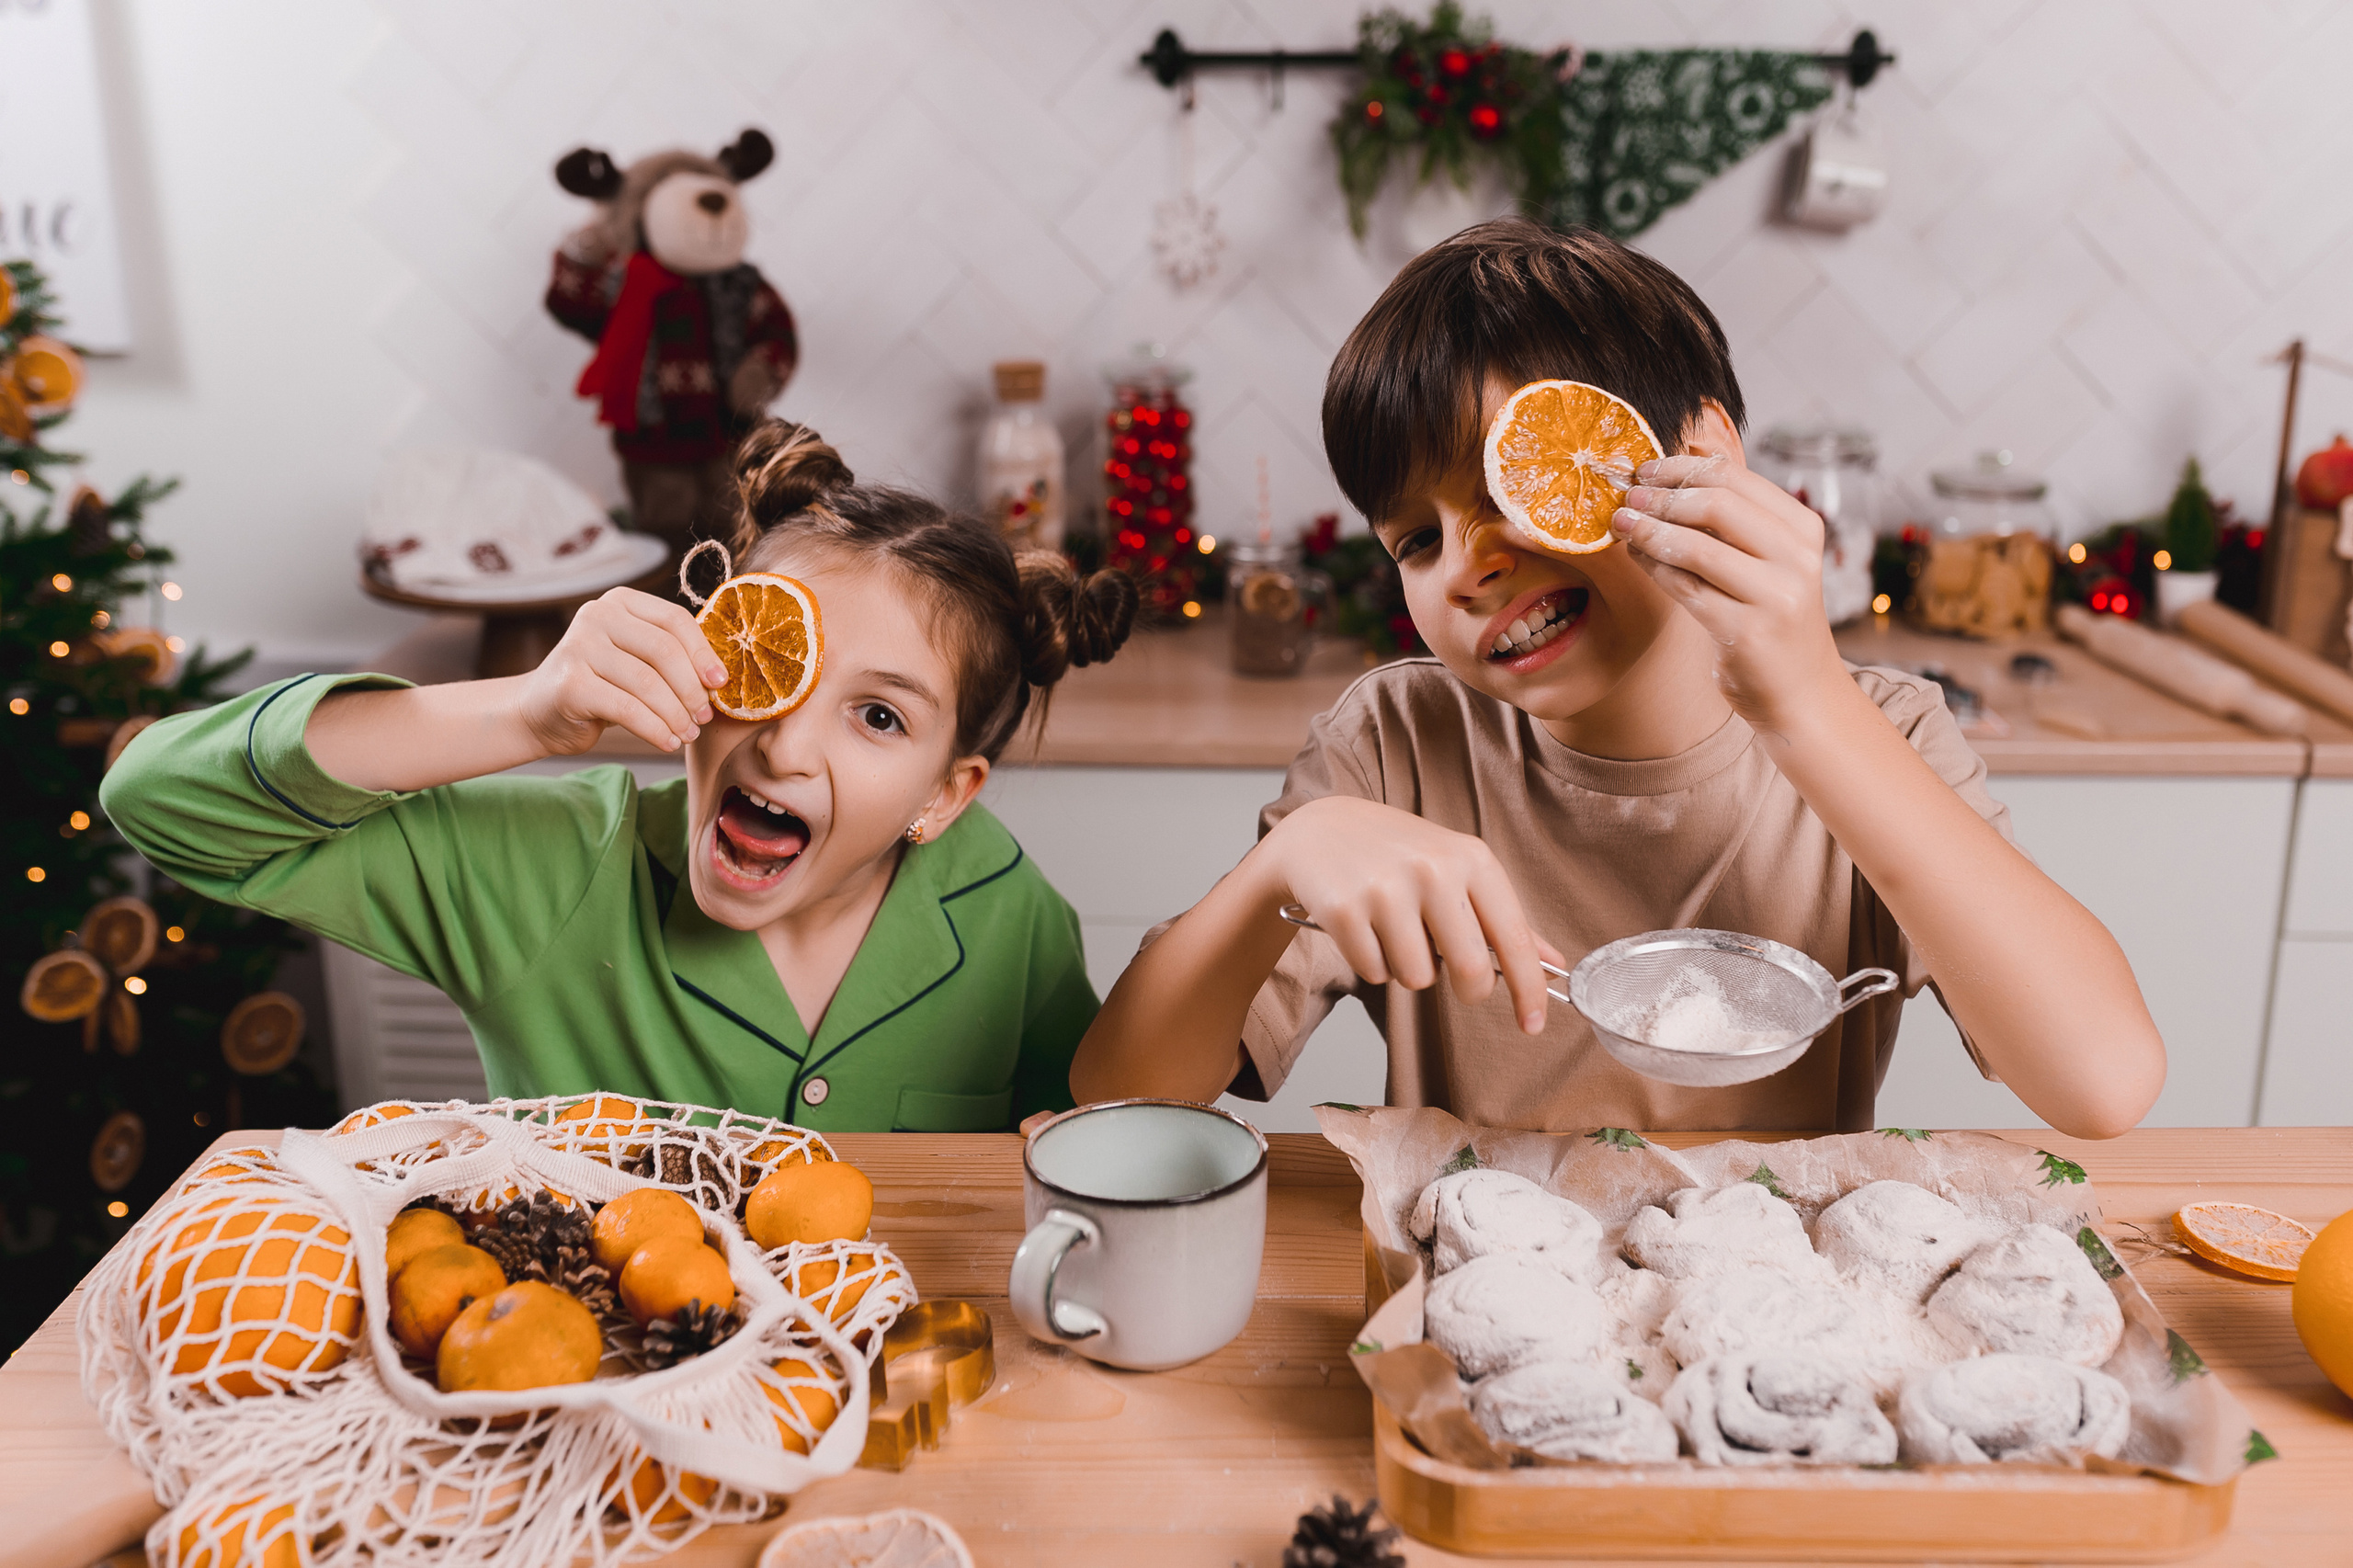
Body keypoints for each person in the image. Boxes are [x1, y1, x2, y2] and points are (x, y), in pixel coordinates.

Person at [1073, 220, 2165, 1139]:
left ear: (1702, 457)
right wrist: (1286, 866)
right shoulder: (1394, 746)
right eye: (1415, 539)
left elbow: (2102, 1083)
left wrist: (1808, 705)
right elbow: (1118, 1097)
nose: (1465, 565)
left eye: (1522, 485)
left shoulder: (1879, 730)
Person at [103, 421, 1137, 1131]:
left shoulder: (1005, 908)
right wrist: (524, 711)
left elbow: (1071, 1134)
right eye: (772, 662)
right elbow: (157, 796)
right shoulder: (554, 870)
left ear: (942, 797)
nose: (783, 745)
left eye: (876, 715)